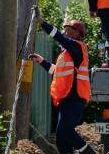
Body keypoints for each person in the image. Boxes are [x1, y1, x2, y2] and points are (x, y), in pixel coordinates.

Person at [30, 17, 95, 154]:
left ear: (78, 34)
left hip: (76, 97)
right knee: (61, 138)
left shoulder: (77, 47)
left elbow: (59, 37)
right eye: (64, 30)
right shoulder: (66, 54)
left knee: (66, 131)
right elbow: (57, 71)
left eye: (68, 31)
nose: (65, 33)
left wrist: (43, 23)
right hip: (66, 98)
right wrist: (41, 61)